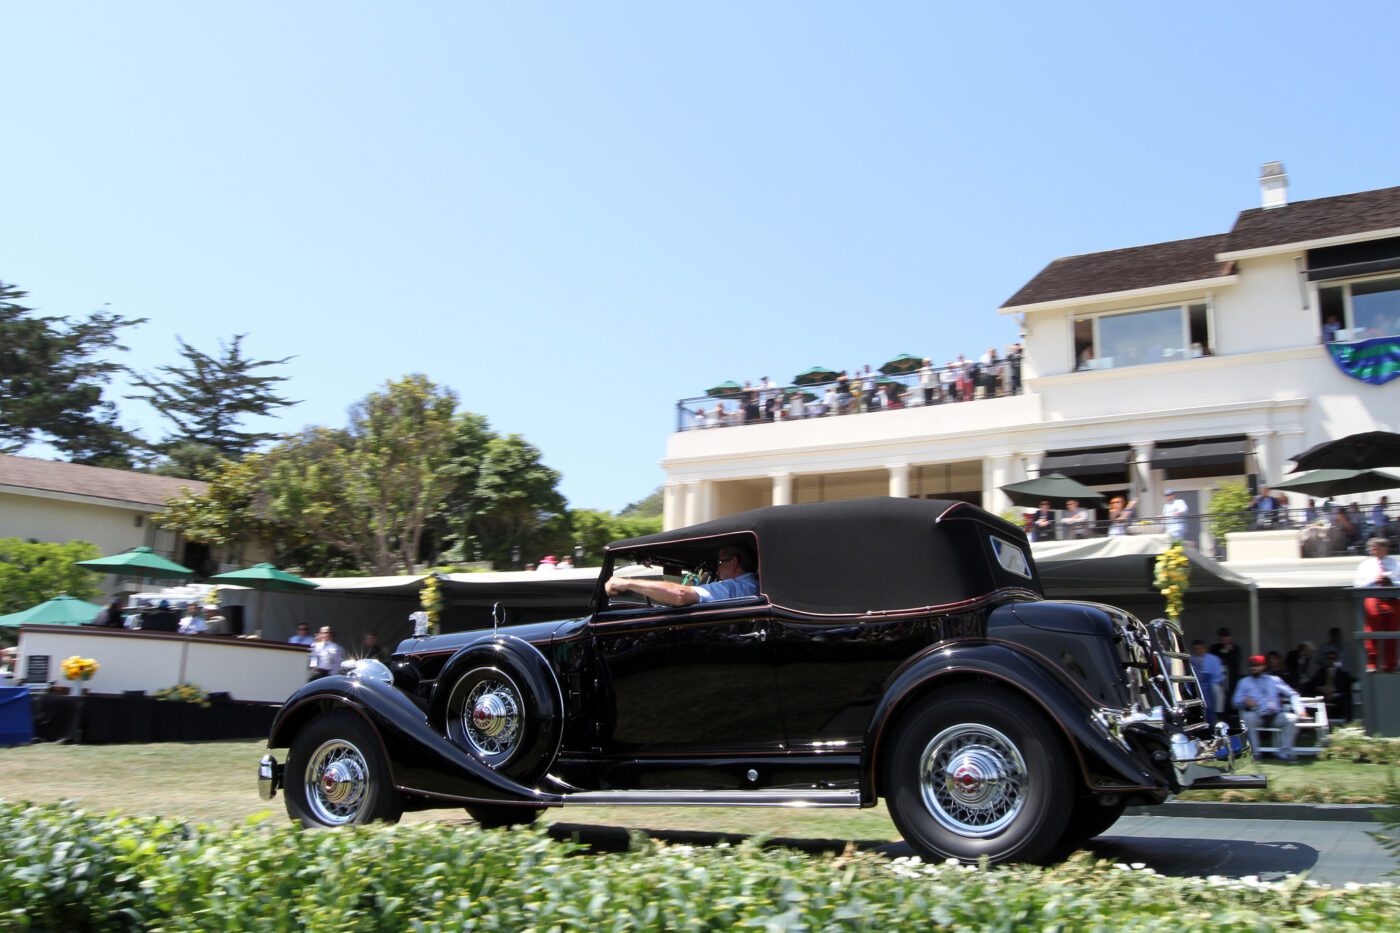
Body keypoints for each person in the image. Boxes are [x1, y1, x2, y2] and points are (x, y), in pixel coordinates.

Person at [604, 544, 758, 607]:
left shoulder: (737, 587)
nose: (717, 571)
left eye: (719, 563)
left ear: (733, 563)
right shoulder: (753, 585)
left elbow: (680, 594)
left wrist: (628, 583)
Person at [1233, 654, 1301, 761]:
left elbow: (1292, 694)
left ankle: (1283, 753)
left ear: (1263, 666)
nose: (1253, 668)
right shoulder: (1244, 682)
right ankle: (1255, 753)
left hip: (1275, 715)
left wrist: (1299, 710)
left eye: (1256, 665)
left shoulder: (1274, 680)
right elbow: (1235, 701)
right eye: (1251, 666)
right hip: (1257, 715)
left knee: (1292, 719)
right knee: (1247, 717)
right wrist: (1244, 701)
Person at [1354, 537, 1399, 672]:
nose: (1374, 551)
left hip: (1392, 598)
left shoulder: (1395, 563)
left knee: (1392, 631)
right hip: (1373, 596)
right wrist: (1374, 580)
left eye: (1379, 548)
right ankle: (1372, 663)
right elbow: (1358, 584)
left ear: (1385, 549)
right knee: (1372, 628)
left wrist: (1391, 582)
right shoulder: (1365, 565)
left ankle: (1389, 665)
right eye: (1373, 548)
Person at [1190, 639, 1225, 725]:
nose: (1198, 650)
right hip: (1195, 684)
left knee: (1215, 688)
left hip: (1212, 683)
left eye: (1200, 648)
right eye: (1196, 649)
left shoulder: (1214, 659)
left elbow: (1219, 676)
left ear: (1204, 648)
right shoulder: (1190, 659)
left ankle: (1217, 714)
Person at [1210, 627, 1244, 697]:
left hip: (1232, 679)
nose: (1224, 639)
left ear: (1230, 637)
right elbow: (1215, 660)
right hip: (1219, 680)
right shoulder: (1214, 648)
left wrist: (1229, 651)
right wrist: (1225, 652)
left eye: (1226, 636)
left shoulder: (1236, 648)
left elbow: (1235, 661)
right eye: (1222, 636)